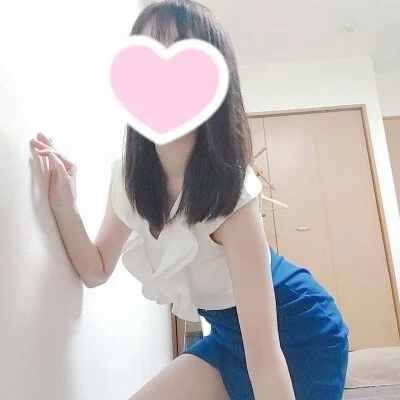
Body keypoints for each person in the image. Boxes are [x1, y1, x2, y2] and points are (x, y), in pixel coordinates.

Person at [29, 1, 349, 399]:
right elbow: (96, 270)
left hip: (300, 330)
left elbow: (264, 356)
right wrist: (64, 205)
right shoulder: (128, 179)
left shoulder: (233, 195)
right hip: (227, 336)